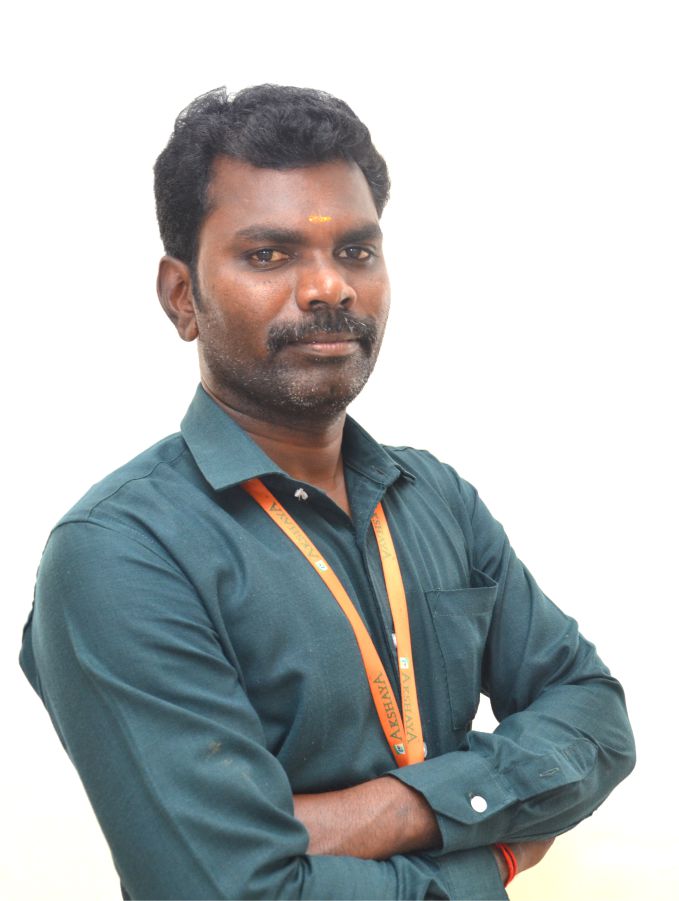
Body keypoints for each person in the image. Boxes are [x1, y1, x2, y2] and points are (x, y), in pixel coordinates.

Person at [19, 84, 635, 900]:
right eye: (268, 255)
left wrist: (391, 809)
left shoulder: (435, 497)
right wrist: (487, 858)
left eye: (355, 251)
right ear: (181, 297)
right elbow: (233, 888)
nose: (328, 288)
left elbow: (595, 716)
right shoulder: (120, 552)